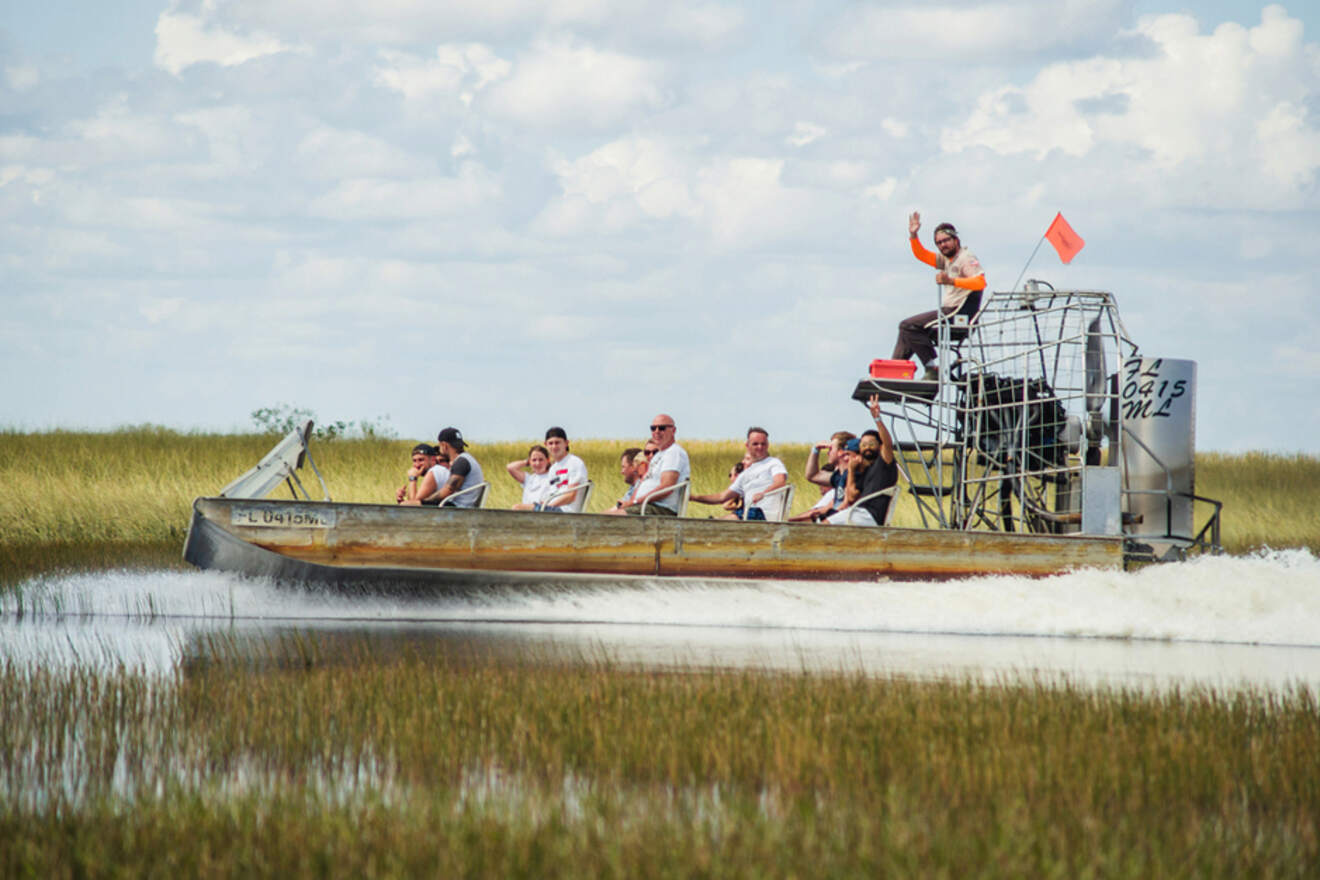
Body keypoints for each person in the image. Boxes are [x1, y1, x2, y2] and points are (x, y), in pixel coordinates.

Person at [892, 211, 986, 381]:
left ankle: (932, 369)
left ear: (955, 240)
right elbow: (922, 255)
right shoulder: (947, 259)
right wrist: (913, 235)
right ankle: (894, 370)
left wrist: (951, 280)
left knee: (908, 326)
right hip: (948, 311)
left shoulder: (966, 258)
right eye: (939, 243)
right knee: (906, 330)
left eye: (946, 241)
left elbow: (980, 283)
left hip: (957, 313)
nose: (943, 245)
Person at [828, 395, 898, 527]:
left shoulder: (884, 463)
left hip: (870, 514)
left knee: (826, 524)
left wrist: (877, 418)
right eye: (864, 445)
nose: (867, 448)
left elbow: (888, 444)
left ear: (879, 446)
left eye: (871, 444)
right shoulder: (864, 470)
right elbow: (851, 497)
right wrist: (851, 470)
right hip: (858, 512)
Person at [691, 427, 789, 521]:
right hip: (748, 514)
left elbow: (780, 482)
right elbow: (722, 497)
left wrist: (763, 493)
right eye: (755, 444)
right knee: (739, 514)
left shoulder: (773, 463)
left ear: (767, 445)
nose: (760, 447)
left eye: (763, 444)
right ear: (747, 445)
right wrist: (694, 498)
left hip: (765, 514)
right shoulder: (745, 474)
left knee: (744, 514)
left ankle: (716, 522)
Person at [606, 414, 689, 516]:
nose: (657, 431)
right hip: (645, 506)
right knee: (601, 516)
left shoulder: (674, 452)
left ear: (673, 430)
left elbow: (667, 487)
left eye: (662, 428)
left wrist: (634, 502)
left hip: (660, 508)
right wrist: (630, 502)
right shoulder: (659, 455)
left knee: (609, 518)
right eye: (653, 428)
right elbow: (642, 483)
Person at [404, 427, 485, 508]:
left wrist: (424, 502)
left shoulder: (461, 462)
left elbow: (447, 492)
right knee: (411, 504)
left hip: (458, 507)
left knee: (407, 505)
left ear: (444, 445)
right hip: (461, 506)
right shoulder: (467, 459)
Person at [789, 432, 856, 523]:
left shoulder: (853, 475)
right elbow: (812, 476)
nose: (828, 453)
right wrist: (815, 450)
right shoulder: (838, 476)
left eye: (831, 449)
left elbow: (844, 507)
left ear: (841, 452)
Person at [540, 427, 589, 511]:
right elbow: (553, 493)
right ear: (546, 445)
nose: (554, 446)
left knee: (519, 508)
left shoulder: (574, 462)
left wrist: (546, 507)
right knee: (521, 508)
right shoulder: (553, 469)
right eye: (551, 443)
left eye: (557, 443)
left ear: (566, 443)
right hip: (553, 509)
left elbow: (571, 496)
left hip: (566, 511)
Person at [507, 444, 553, 510]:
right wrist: (526, 462)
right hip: (527, 514)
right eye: (534, 460)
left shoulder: (553, 476)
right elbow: (510, 467)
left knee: (516, 507)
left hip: (544, 511)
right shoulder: (528, 478)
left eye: (541, 460)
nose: (537, 463)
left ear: (547, 460)